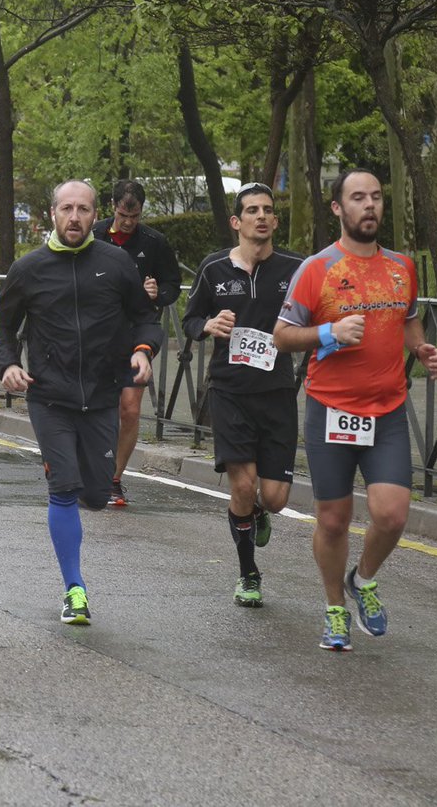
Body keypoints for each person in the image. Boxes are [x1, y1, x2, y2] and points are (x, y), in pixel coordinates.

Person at [273, 169, 437, 651]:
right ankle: (334, 609)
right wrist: (328, 333)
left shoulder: (401, 267)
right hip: (332, 409)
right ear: (337, 208)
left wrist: (423, 351)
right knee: (333, 519)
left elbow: (407, 320)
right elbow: (282, 337)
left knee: (391, 516)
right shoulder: (316, 269)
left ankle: (362, 580)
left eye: (375, 197)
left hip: (386, 409)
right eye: (357, 198)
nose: (369, 205)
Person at [0, 180, 164, 625]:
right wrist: (9, 365)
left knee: (94, 493)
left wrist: (143, 351)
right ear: (52, 213)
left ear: (95, 216)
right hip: (50, 396)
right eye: (66, 208)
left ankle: (87, 492)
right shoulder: (29, 269)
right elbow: (4, 326)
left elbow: (145, 317)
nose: (75, 217)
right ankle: (75, 589)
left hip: (104, 395)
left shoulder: (116, 262)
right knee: (64, 488)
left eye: (83, 209)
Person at [183, 183, 304, 608]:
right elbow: (190, 318)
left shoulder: (295, 269)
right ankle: (248, 574)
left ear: (274, 221)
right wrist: (207, 326)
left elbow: (316, 316)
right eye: (252, 210)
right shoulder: (214, 268)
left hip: (276, 393)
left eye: (268, 210)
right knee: (243, 486)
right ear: (237, 222)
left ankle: (259, 513)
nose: (261, 216)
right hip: (230, 391)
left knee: (273, 497)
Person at [92, 179, 182, 506]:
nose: (128, 222)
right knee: (94, 406)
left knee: (128, 410)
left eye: (135, 216)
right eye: (122, 215)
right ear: (111, 208)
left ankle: (113, 480)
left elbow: (173, 284)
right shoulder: (94, 233)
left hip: (136, 335)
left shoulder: (154, 242)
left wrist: (159, 293)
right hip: (95, 336)